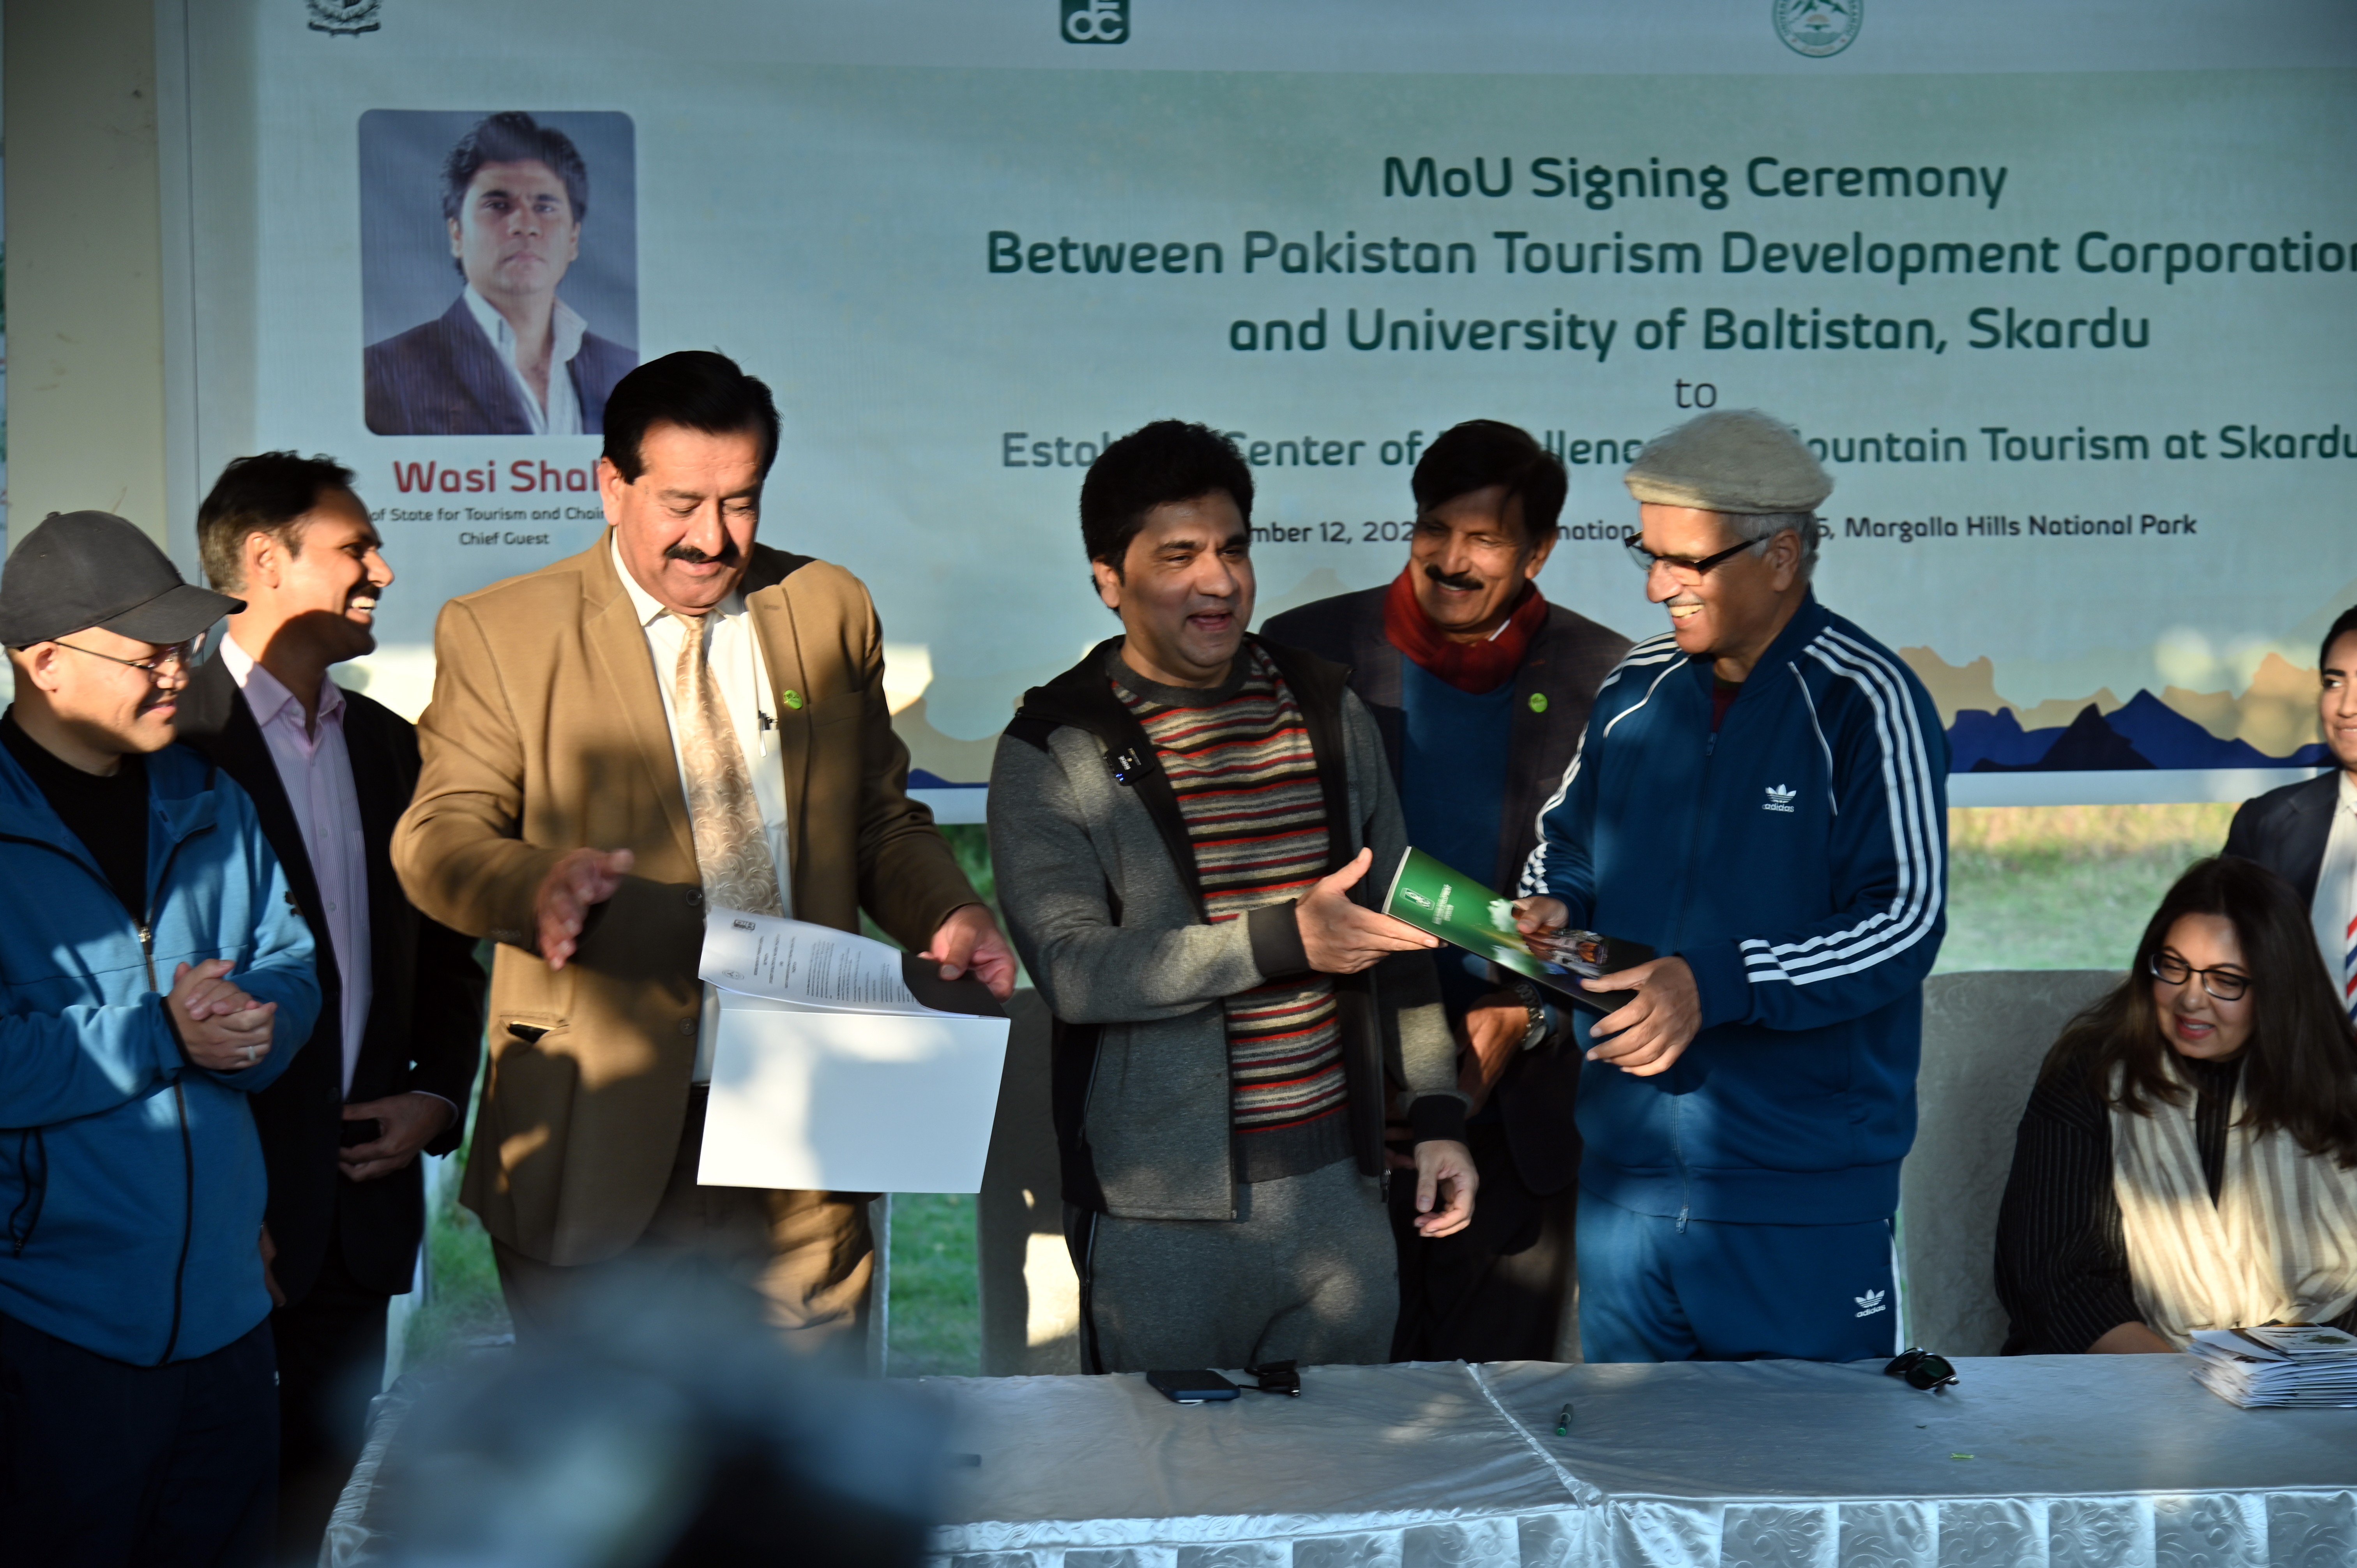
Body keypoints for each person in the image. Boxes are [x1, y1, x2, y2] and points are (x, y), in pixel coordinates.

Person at [391, 350, 1010, 1366]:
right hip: (599, 1119)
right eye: (682, 502)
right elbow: (438, 837)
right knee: (616, 1481)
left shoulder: (827, 610)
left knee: (809, 1469)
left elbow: (877, 822)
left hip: (802, 1122)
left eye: (742, 502)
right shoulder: (503, 633)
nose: (713, 538)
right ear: (611, 485)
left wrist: (947, 912)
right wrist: (532, 884)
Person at [989, 419, 1477, 1373]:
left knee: (1349, 1500)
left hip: (1342, 1202)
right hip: (1160, 1217)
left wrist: (1440, 1114)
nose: (1218, 581)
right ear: (1108, 578)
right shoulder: (1057, 744)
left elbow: (1402, 923)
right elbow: (1077, 969)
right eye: (1179, 556)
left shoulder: (1325, 705)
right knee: (1170, 1500)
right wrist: (1280, 939)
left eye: (1233, 549)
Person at [1514, 408, 1948, 1364]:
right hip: (1622, 1191)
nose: (1659, 583)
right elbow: (1565, 846)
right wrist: (1554, 906)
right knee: (1636, 1498)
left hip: (1799, 1201)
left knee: (1804, 1503)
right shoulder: (1634, 689)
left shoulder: (1867, 699)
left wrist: (1714, 981)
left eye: (1687, 561)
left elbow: (1904, 918)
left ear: (1782, 556)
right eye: (1648, 553)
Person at [1262, 419, 1629, 1361]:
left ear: (1540, 550)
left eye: (1487, 540)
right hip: (1332, 1103)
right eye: (1435, 529)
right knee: (1327, 1430)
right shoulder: (1306, 656)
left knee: (1493, 1427)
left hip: (1517, 1117)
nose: (1452, 561)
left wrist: (1531, 1020)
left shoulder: (1611, 683)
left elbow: (1630, 901)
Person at [176, 453, 488, 1557]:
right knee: (203, 1514)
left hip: (357, 1204)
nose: (384, 571)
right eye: (356, 548)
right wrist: (221, 1204)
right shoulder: (173, 745)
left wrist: (438, 1099)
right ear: (263, 561)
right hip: (213, 1230)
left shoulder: (390, 747)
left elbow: (451, 957)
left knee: (319, 1510)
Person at [0, 511, 322, 1564]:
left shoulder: (211, 801)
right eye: (149, 654)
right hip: (51, 1329)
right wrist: (163, 1035)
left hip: (230, 1320)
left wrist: (255, 1023)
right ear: (47, 663)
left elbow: (292, 964)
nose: (180, 674)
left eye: (185, 648)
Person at [1995, 857, 2357, 1353]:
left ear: (2279, 985)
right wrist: (2197, 1396)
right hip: (2126, 1383)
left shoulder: (2342, 1083)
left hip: (2318, 1384)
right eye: (2174, 966)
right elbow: (2056, 1279)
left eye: (2226, 979)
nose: (2191, 998)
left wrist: (2292, 1381)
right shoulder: (2091, 1074)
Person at [365, 111, 636, 435]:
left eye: (545, 207)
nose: (525, 225)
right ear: (457, 234)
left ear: (574, 239)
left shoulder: (627, 372)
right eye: (498, 205)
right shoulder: (383, 374)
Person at [2224, 604, 2357, 1024]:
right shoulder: (2267, 824)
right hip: (2299, 1086)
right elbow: (2223, 966)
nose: (2347, 706)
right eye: (2334, 682)